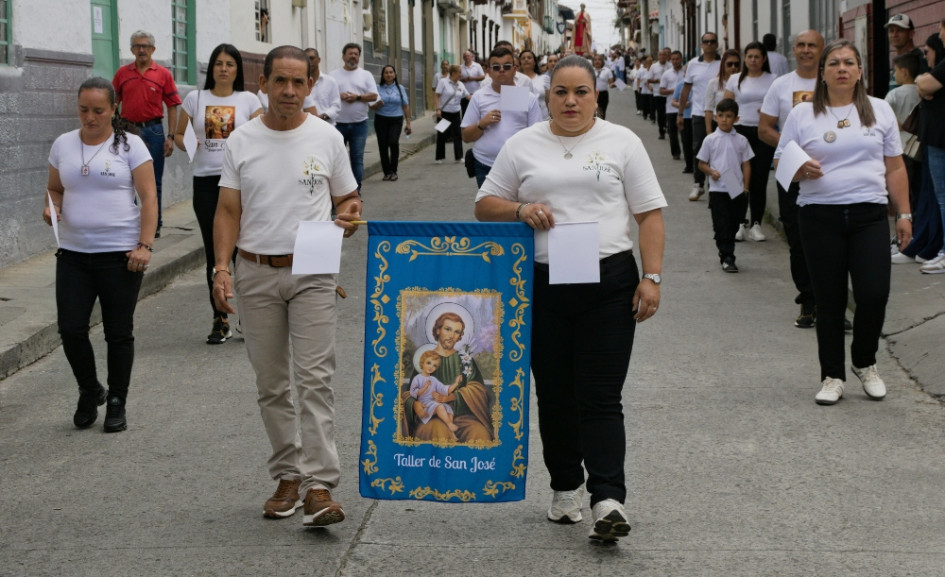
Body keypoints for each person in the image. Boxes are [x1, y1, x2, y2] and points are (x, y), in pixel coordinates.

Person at [474, 55, 666, 543]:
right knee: (556, 394)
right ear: (547, 97)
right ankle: (565, 487)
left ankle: (607, 498)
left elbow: (649, 215)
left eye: (581, 92)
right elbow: (484, 205)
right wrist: (521, 208)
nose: (571, 101)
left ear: (596, 96)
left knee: (600, 396)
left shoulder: (622, 142)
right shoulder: (524, 144)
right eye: (561, 92)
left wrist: (653, 277)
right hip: (543, 283)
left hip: (610, 283)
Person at [212, 45, 362, 526]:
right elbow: (229, 210)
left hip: (313, 271)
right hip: (255, 270)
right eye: (281, 81)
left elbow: (348, 199)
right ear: (265, 83)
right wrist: (221, 268)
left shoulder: (328, 138)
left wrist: (350, 218)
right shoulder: (242, 140)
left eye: (299, 82)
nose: (290, 91)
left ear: (310, 85)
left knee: (315, 380)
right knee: (271, 383)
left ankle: (320, 485)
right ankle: (288, 475)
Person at [775, 39, 912, 405]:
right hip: (820, 215)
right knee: (830, 300)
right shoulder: (803, 114)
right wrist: (799, 167)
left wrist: (904, 213)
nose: (841, 68)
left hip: (868, 215)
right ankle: (832, 375)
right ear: (822, 73)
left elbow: (895, 166)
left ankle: (864, 362)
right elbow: (779, 159)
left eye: (849, 62)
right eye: (833, 63)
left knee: (873, 293)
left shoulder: (880, 111)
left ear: (860, 71)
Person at [44, 77, 157, 432]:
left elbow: (149, 198)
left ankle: (117, 400)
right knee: (71, 328)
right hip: (74, 254)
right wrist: (52, 207)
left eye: (98, 111)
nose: (89, 117)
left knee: (118, 332)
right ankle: (91, 389)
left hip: (120, 256)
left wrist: (144, 245)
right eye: (83, 110)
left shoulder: (130, 146)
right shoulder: (63, 144)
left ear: (113, 110)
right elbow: (54, 188)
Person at [174, 44, 262, 345]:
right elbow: (177, 136)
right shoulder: (194, 99)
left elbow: (263, 137)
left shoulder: (249, 100)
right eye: (218, 63)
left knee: (244, 251)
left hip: (242, 182)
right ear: (211, 68)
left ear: (238, 70)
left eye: (230, 64)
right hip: (206, 182)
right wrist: (189, 143)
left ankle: (248, 318)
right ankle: (219, 319)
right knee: (216, 252)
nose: (224, 68)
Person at [759, 29, 825, 328]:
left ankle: (830, 305)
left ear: (822, 50)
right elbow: (765, 129)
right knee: (798, 240)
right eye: (801, 45)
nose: (807, 50)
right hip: (792, 173)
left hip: (828, 174)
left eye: (813, 45)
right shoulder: (781, 85)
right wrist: (794, 153)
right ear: (793, 50)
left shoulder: (834, 81)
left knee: (831, 240)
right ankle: (808, 302)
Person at [112, 30, 180, 239]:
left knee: (154, 180)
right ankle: (132, 222)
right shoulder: (122, 73)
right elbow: (113, 102)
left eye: (145, 46)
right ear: (132, 49)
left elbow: (172, 105)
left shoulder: (163, 74)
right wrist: (113, 127)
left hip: (154, 131)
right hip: (128, 131)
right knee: (127, 179)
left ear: (153, 49)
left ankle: (155, 225)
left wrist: (171, 136)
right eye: (137, 46)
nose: (141, 50)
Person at [401, 311, 493, 442]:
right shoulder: (426, 359)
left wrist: (452, 397)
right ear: (438, 330)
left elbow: (480, 392)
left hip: (463, 419)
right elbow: (409, 394)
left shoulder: (465, 360)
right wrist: (414, 404)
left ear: (460, 336)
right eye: (448, 329)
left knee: (480, 433)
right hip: (432, 416)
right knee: (438, 431)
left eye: (456, 332)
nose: (451, 336)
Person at [461, 46, 542, 187]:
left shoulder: (527, 98)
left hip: (518, 167)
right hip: (485, 165)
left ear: (515, 69)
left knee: (517, 208)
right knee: (489, 209)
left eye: (507, 66)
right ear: (489, 71)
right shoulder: (479, 97)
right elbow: (466, 137)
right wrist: (482, 124)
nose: (502, 70)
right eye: (496, 67)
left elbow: (538, 136)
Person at [724, 41, 776, 242]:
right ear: (745, 59)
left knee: (759, 178)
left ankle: (756, 223)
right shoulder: (735, 79)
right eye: (750, 56)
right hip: (739, 132)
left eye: (757, 56)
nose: (753, 60)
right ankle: (738, 222)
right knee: (735, 177)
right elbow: (727, 105)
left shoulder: (773, 79)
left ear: (764, 59)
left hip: (763, 132)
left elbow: (780, 105)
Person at [697, 98, 754, 272]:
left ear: (736, 119)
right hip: (718, 188)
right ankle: (727, 256)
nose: (724, 120)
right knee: (721, 223)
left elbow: (746, 164)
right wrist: (711, 171)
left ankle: (728, 250)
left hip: (735, 187)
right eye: (720, 115)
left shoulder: (741, 140)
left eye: (729, 116)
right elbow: (701, 163)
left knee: (733, 222)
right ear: (715, 117)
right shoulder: (710, 140)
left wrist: (745, 187)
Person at [915, 27, 945, 273]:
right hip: (936, 141)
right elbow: (923, 84)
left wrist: (922, 83)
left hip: (941, 140)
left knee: (944, 198)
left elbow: (925, 84)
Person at [678, 32, 721, 202]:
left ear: (716, 44)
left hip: (721, 114)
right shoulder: (693, 64)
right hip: (698, 113)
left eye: (712, 41)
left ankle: (717, 185)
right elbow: (686, 90)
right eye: (706, 42)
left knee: (721, 150)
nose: (709, 44)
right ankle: (698, 184)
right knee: (699, 150)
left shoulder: (723, 62)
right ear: (701, 44)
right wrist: (680, 114)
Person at [330, 43, 378, 192]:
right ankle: (337, 193)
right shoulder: (333, 76)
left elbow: (374, 95)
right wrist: (340, 96)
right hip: (337, 125)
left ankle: (356, 192)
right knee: (336, 161)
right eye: (350, 53)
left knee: (357, 159)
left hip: (359, 125)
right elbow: (328, 96)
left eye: (356, 54)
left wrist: (357, 97)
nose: (353, 56)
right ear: (343, 56)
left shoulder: (366, 75)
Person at [885, 52, 922, 243]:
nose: (893, 74)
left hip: (899, 148)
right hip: (917, 148)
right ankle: (915, 230)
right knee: (916, 191)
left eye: (895, 71)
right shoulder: (920, 91)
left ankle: (902, 236)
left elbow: (883, 118)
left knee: (901, 195)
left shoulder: (894, 94)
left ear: (904, 72)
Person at [369, 64, 412, 182]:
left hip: (396, 119)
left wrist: (408, 122)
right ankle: (386, 172)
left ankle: (394, 171)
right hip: (381, 119)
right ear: (383, 75)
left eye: (391, 72)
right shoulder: (377, 88)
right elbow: (371, 106)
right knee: (383, 146)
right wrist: (377, 105)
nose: (388, 74)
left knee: (393, 142)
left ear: (395, 75)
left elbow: (405, 106)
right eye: (386, 73)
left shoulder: (400, 88)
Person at [409, 350, 463, 438]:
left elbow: (445, 389)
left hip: (432, 403)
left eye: (434, 366)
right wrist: (424, 388)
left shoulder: (433, 379)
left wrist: (456, 383)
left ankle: (451, 432)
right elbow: (413, 393)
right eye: (429, 363)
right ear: (422, 363)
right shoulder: (417, 378)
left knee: (448, 409)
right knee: (440, 407)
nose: (431, 367)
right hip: (424, 404)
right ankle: (449, 424)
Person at [434, 64, 469, 164]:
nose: (460, 74)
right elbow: (436, 95)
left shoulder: (460, 84)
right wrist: (438, 109)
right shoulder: (443, 82)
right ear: (453, 73)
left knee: (458, 134)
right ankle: (439, 157)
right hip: (444, 112)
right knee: (441, 134)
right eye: (459, 72)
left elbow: (467, 96)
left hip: (456, 112)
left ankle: (459, 156)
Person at [886, 13, 930, 90]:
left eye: (899, 30)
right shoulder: (899, 60)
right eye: (891, 31)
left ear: (911, 34)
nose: (894, 35)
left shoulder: (919, 60)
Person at [704, 49, 741, 136]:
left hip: (739, 124)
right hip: (719, 125)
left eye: (736, 64)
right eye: (729, 64)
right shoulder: (713, 83)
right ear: (723, 64)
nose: (733, 67)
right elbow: (709, 109)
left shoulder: (743, 82)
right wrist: (709, 132)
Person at [302, 48, 341, 124]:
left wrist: (321, 117)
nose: (309, 61)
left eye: (312, 58)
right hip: (305, 126)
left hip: (327, 126)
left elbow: (336, 106)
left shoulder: (330, 82)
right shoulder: (299, 83)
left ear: (319, 60)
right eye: (306, 59)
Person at [660, 50, 685, 160]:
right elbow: (662, 90)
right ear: (671, 60)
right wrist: (674, 91)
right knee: (672, 132)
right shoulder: (667, 74)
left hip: (686, 107)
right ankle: (676, 153)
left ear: (681, 59)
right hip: (671, 107)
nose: (675, 61)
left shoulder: (686, 72)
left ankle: (688, 153)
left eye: (677, 59)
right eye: (673, 59)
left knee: (685, 132)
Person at [673, 70, 694, 173]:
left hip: (697, 116)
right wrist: (681, 105)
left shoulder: (699, 84)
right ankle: (689, 165)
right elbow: (673, 101)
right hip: (685, 117)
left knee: (697, 143)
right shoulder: (681, 85)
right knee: (686, 142)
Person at [520, 49, 549, 118]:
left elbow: (549, 101)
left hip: (542, 118)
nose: (526, 60)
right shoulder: (515, 80)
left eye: (529, 58)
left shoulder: (544, 78)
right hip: (523, 119)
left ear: (534, 62)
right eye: (523, 58)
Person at [647, 49, 669, 138]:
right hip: (658, 93)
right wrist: (656, 80)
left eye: (664, 55)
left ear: (666, 56)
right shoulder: (654, 66)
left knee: (668, 113)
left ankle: (669, 128)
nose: (662, 56)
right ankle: (661, 131)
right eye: (660, 55)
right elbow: (649, 79)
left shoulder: (670, 66)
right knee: (660, 113)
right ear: (658, 56)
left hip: (669, 93)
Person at [460, 50, 485, 118]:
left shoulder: (477, 66)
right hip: (464, 94)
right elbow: (457, 79)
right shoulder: (461, 67)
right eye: (465, 56)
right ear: (463, 58)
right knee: (465, 113)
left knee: (476, 113)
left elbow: (482, 76)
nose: (467, 57)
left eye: (468, 56)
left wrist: (473, 78)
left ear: (472, 57)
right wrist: (463, 80)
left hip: (475, 93)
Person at [592, 53, 615, 119]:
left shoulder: (607, 71)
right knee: (593, 113)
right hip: (593, 94)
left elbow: (611, 84)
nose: (597, 61)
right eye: (595, 60)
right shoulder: (590, 70)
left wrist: (616, 84)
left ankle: (601, 127)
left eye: (599, 60)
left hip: (603, 94)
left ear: (602, 61)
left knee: (601, 113)